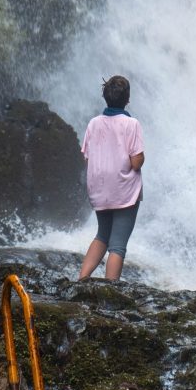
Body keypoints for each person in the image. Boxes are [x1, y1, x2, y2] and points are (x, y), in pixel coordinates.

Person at [77, 74, 145, 281]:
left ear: (105, 97)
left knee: (102, 235)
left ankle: (81, 279)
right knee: (117, 245)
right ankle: (110, 291)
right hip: (124, 191)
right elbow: (136, 162)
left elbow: (88, 157)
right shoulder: (131, 124)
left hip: (100, 189)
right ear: (128, 99)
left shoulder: (93, 123)